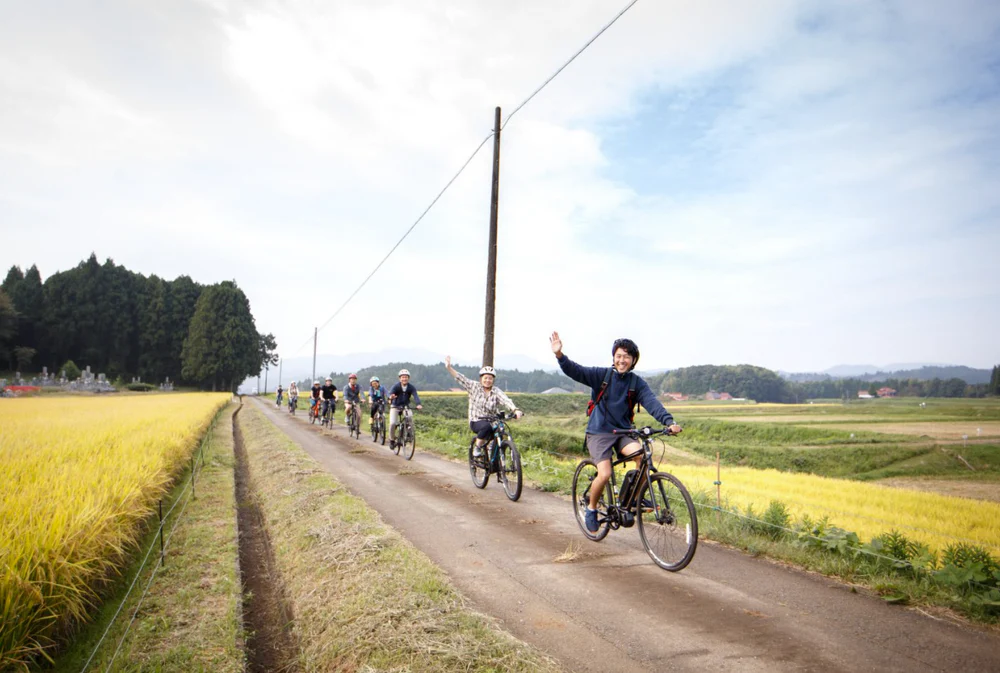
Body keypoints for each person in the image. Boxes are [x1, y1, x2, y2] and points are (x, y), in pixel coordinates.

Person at [549, 331, 682, 533]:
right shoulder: (601, 375)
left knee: (643, 457)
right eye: (619, 356)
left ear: (633, 360)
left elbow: (652, 403)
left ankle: (631, 498)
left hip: (623, 432)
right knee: (605, 473)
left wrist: (669, 421)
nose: (622, 360)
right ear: (614, 357)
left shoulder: (636, 383)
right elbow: (575, 371)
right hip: (599, 433)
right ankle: (592, 509)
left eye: (627, 357)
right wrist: (560, 355)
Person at [444, 356, 522, 457]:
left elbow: (506, 400)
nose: (488, 380)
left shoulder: (496, 391)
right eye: (485, 378)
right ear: (481, 379)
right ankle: (477, 447)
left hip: (492, 420)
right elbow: (460, 378)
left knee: (500, 430)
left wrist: (515, 410)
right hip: (476, 420)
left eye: (490, 378)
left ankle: (495, 457)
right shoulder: (474, 387)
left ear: (493, 380)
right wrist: (449, 367)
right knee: (486, 426)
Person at [388, 369, 423, 448]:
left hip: (405, 406)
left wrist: (418, 404)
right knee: (393, 423)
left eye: (406, 377)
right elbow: (391, 393)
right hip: (395, 406)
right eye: (402, 377)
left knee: (409, 418)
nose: (404, 379)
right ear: (399, 378)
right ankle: (392, 440)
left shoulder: (411, 387)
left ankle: (409, 435)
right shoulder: (396, 386)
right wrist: (391, 396)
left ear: (408, 378)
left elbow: (415, 396)